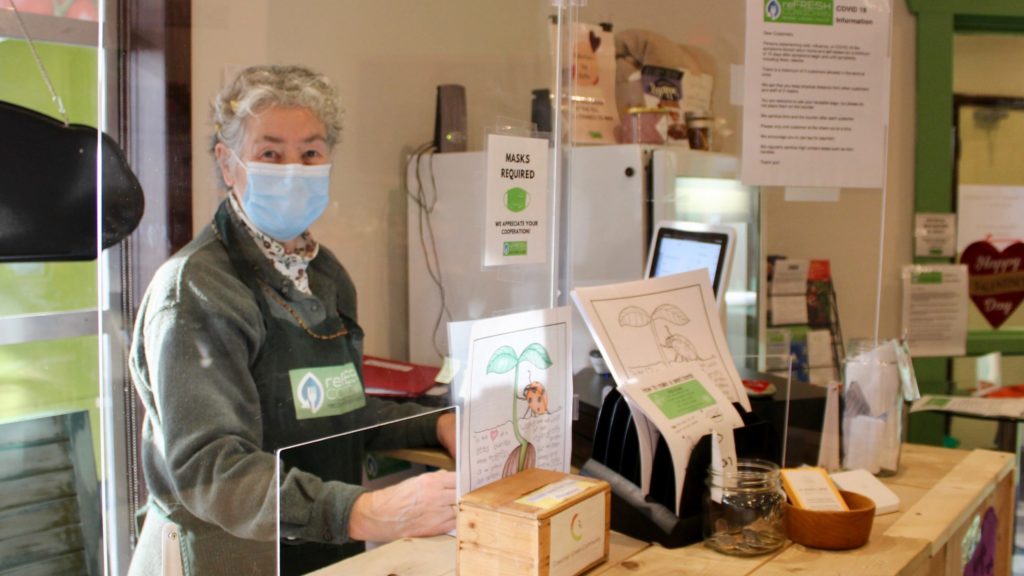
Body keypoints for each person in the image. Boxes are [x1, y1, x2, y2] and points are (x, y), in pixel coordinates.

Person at [128, 65, 456, 575]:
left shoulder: (325, 276)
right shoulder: (197, 290)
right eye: (269, 153)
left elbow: (334, 413)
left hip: (322, 553)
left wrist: (435, 422)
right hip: (227, 559)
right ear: (228, 163)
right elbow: (212, 471)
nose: (292, 169)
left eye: (310, 153)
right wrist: (364, 510)